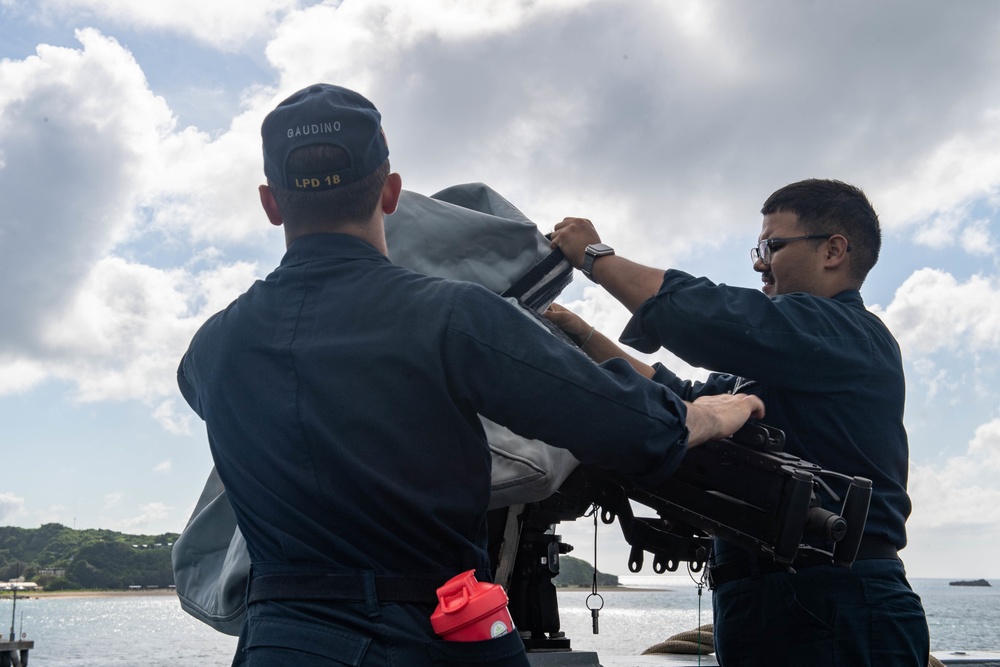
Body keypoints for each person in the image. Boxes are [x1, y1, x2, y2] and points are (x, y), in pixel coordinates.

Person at [176, 83, 764, 667]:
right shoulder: (453, 317)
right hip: (430, 634)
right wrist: (721, 409)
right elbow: (628, 426)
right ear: (390, 192)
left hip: (279, 642)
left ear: (271, 202)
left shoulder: (210, 350)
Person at [547, 179, 929, 666]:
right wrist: (583, 337)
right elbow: (682, 398)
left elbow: (709, 317)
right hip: (755, 603)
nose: (758, 262)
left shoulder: (849, 335)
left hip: (836, 599)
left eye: (771, 245)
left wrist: (597, 258)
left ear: (834, 250)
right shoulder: (779, 359)